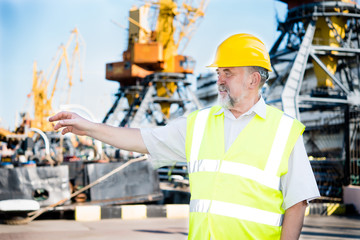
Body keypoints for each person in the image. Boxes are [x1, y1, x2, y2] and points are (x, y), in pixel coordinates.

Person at [49, 33, 320, 240]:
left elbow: (297, 203)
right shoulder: (199, 123)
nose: (220, 80)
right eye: (218, 72)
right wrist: (90, 128)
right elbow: (143, 139)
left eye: (228, 72)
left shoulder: (285, 130)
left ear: (253, 80)